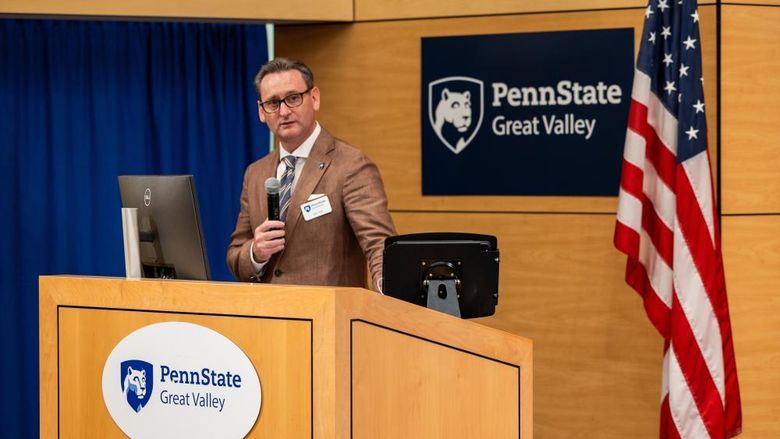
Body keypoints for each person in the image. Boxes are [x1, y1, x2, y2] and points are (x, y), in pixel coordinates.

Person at [226, 58, 396, 291]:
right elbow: (236, 255)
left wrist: (387, 292)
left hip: (329, 319)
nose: (284, 111)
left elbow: (379, 246)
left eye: (293, 98)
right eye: (273, 103)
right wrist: (256, 252)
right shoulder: (255, 174)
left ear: (314, 98)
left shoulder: (351, 165)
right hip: (268, 319)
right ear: (261, 112)